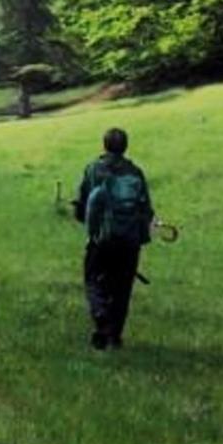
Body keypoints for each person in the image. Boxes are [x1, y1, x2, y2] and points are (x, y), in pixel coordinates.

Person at [72, 127, 154, 350]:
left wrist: (87, 223)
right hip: (129, 241)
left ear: (104, 145)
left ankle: (101, 318)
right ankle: (114, 335)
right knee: (122, 288)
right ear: (125, 147)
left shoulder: (94, 170)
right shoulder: (135, 172)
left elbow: (83, 204)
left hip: (102, 240)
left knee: (93, 279)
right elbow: (146, 208)